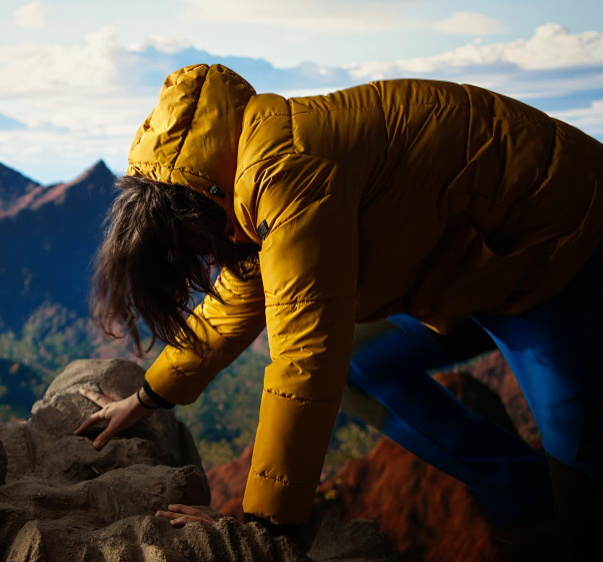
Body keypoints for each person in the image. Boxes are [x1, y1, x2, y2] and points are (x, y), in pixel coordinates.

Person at [73, 63, 603, 550]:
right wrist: (146, 397)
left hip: (558, 247)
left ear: (191, 204)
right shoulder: (235, 171)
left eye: (191, 248)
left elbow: (305, 360)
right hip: (469, 264)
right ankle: (522, 490)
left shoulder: (286, 172)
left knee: (582, 481)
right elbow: (239, 297)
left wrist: (264, 529)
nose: (204, 261)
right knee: (362, 367)